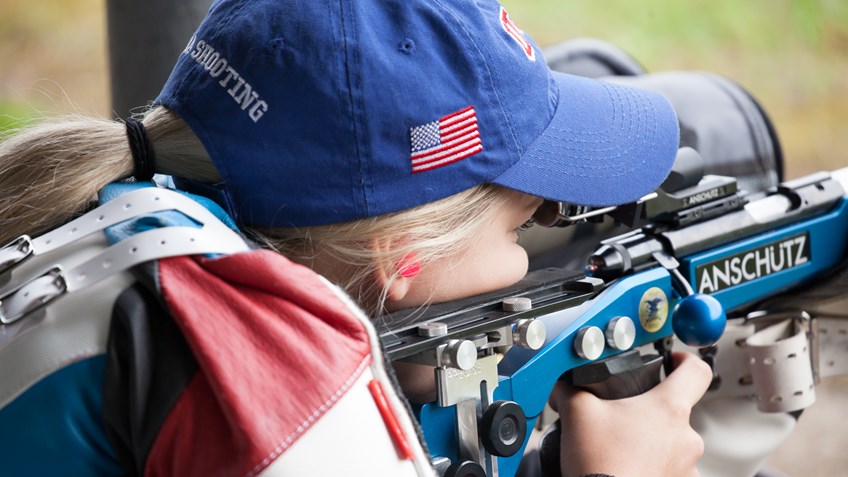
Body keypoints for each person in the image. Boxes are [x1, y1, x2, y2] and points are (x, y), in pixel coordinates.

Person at [0, 0, 712, 476]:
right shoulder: (277, 383)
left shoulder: (97, 217)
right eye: (530, 218)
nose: (547, 230)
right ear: (400, 255)